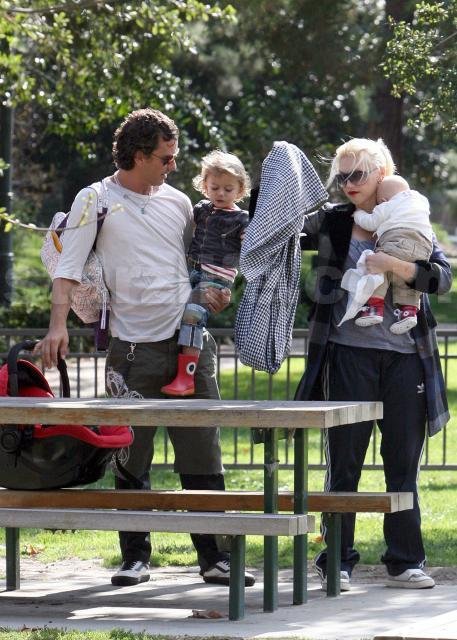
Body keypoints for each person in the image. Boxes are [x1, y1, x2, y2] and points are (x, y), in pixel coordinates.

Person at [34, 107, 255, 588]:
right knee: (131, 456)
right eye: (165, 158)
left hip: (189, 346)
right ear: (138, 155)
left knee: (203, 453)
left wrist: (216, 291)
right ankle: (135, 558)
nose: (174, 166)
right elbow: (68, 267)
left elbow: (203, 260)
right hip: (131, 350)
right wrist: (57, 327)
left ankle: (214, 557)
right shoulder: (95, 198)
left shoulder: (178, 202)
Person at [294, 137, 451, 592]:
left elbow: (441, 277)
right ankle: (337, 562)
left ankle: (404, 562)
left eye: (357, 174)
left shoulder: (408, 212)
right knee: (344, 463)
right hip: (347, 355)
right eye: (341, 176)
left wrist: (397, 267)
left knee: (403, 463)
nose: (348, 183)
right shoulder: (333, 221)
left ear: (382, 173)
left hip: (407, 359)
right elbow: (282, 235)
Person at [161, 150, 250, 396]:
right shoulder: (201, 209)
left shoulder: (242, 219)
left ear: (240, 191)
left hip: (215, 280)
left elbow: (251, 248)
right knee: (176, 309)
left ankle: (186, 378)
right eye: (215, 187)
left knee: (193, 316)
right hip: (192, 271)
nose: (221, 193)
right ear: (205, 186)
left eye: (228, 189)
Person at [352, 174, 433, 334]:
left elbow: (371, 222)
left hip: (398, 240)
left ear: (383, 200)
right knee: (407, 280)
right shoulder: (421, 200)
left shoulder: (389, 204)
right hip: (424, 247)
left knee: (377, 267)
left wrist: (358, 214)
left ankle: (374, 308)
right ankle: (409, 312)